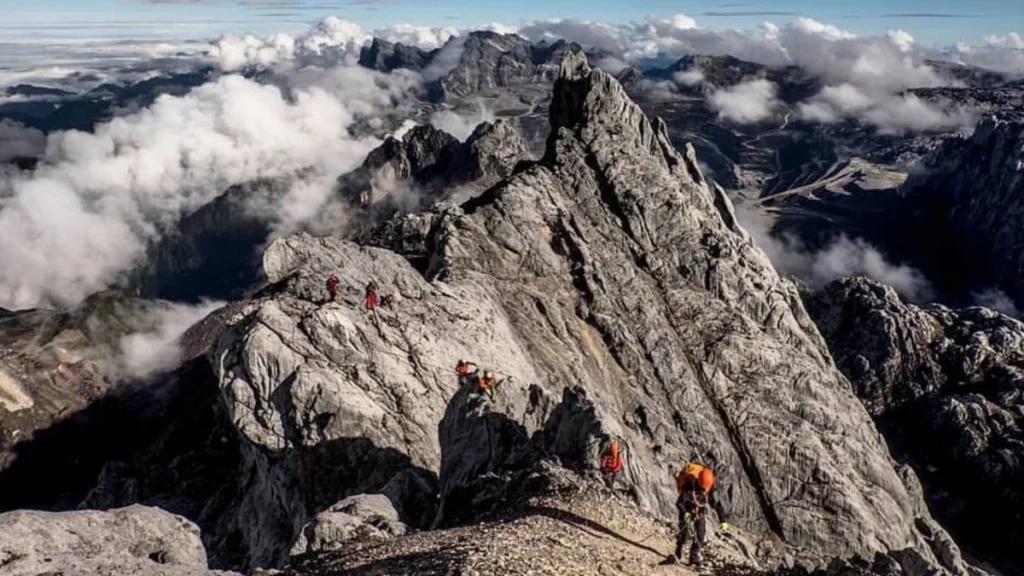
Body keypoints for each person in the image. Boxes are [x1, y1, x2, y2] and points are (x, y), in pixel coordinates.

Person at [673, 460, 715, 566]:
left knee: (700, 533)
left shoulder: (708, 487)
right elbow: (679, 503)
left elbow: (716, 503)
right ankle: (679, 548)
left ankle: (694, 555)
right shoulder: (689, 486)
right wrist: (685, 513)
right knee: (684, 533)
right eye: (701, 488)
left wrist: (723, 521)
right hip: (686, 510)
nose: (703, 491)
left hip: (699, 512)